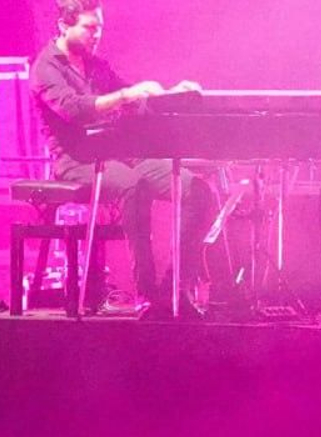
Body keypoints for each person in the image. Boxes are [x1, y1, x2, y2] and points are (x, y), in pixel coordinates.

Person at [29, 0, 214, 312]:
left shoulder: (96, 65)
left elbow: (134, 102)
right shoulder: (46, 68)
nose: (97, 34)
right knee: (133, 186)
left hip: (119, 155)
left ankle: (174, 286)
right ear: (64, 25)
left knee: (198, 191)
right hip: (76, 161)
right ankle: (147, 294)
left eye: (100, 28)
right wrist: (124, 95)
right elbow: (74, 109)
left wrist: (171, 95)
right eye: (89, 28)